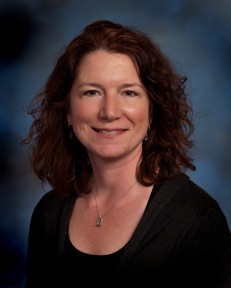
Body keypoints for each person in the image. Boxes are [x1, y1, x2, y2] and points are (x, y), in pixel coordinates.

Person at [22, 19, 231, 288]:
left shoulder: (196, 220)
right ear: (68, 112)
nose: (109, 111)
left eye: (129, 92)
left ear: (153, 111)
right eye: (92, 92)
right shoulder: (49, 213)